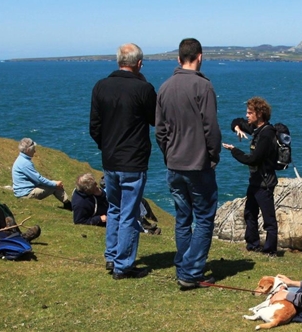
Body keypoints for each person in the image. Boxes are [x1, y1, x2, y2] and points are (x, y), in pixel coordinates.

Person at [155, 38, 222, 290]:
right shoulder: (203, 87)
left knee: (183, 218)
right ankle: (191, 272)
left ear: (179, 58)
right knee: (204, 218)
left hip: (174, 164)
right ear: (200, 57)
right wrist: (213, 156)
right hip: (198, 165)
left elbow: (160, 131)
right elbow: (211, 129)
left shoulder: (164, 88)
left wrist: (168, 154)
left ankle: (184, 265)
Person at [89, 43, 157, 279]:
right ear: (138, 64)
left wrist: (106, 147)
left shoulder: (100, 86)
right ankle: (123, 265)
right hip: (133, 160)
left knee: (115, 209)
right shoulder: (143, 88)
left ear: (118, 61)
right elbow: (155, 119)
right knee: (129, 213)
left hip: (110, 159)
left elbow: (94, 127)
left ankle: (112, 256)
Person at [222, 96, 278, 255]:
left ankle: (270, 250)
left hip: (264, 182)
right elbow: (236, 121)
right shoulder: (256, 129)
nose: (247, 115)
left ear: (259, 114)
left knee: (269, 219)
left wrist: (233, 150)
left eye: (250, 112)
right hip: (255, 181)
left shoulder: (266, 134)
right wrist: (237, 129)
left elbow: (253, 159)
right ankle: (253, 244)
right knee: (250, 213)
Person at [11, 138, 71, 207]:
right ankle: (68, 205)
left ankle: (67, 204)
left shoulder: (21, 159)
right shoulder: (25, 163)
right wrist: (55, 184)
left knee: (54, 184)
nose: (35, 151)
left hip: (22, 191)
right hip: (26, 194)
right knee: (54, 186)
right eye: (33, 149)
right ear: (28, 150)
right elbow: (39, 179)